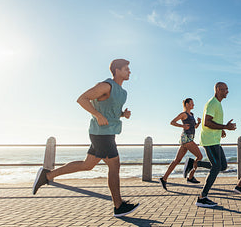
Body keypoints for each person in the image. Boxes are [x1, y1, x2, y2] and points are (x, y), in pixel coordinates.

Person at [32, 59, 139, 217]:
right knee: (114, 165)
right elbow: (82, 99)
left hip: (109, 133)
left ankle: (47, 175)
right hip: (101, 134)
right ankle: (118, 206)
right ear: (116, 70)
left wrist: (123, 114)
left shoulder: (122, 92)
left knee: (87, 165)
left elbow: (112, 110)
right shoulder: (105, 85)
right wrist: (97, 114)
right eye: (126, 69)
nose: (129, 71)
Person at [195, 82, 236, 207]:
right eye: (225, 89)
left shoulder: (217, 104)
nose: (227, 91)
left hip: (215, 139)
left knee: (222, 166)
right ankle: (202, 197)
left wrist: (221, 129)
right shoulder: (212, 103)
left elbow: (212, 121)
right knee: (216, 167)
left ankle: (194, 163)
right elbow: (207, 122)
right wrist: (225, 127)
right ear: (218, 89)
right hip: (209, 140)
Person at [159, 98, 206, 190]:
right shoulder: (183, 114)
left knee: (177, 160)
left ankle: (164, 178)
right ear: (187, 104)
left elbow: (194, 127)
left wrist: (199, 123)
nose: (193, 105)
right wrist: (182, 126)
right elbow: (172, 122)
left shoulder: (191, 115)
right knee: (199, 157)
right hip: (186, 138)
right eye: (192, 103)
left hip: (189, 138)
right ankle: (190, 177)